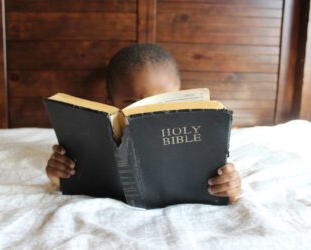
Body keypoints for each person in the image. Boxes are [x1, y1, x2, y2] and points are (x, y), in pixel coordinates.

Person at [46, 44, 241, 204]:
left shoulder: (197, 137)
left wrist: (228, 187)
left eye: (163, 100)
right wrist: (59, 174)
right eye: (132, 103)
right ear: (109, 104)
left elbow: (225, 188)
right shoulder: (95, 141)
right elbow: (72, 181)